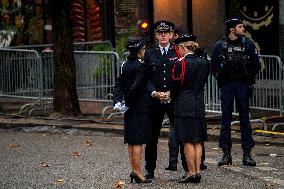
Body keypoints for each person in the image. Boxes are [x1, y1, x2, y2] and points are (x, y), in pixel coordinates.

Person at [211, 16, 259, 166]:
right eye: (239, 27)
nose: (243, 29)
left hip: (243, 85)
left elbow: (256, 65)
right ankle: (226, 153)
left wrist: (248, 78)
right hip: (227, 85)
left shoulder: (248, 44)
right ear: (232, 29)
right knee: (225, 120)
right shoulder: (220, 45)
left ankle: (247, 153)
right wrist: (222, 77)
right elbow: (213, 67)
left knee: (245, 119)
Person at [144, 20, 187, 179]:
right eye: (159, 33)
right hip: (155, 100)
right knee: (151, 136)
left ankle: (186, 169)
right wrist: (154, 92)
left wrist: (171, 92)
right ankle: (149, 169)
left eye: (166, 33)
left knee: (180, 134)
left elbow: (182, 75)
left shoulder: (177, 51)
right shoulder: (150, 52)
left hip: (173, 98)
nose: (163, 35)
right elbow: (146, 78)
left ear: (171, 35)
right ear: (156, 35)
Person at [113, 37, 152, 183]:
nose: (145, 50)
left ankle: (134, 170)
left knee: (131, 141)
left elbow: (119, 84)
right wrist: (127, 102)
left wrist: (118, 101)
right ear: (139, 50)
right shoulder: (141, 66)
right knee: (137, 142)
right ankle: (137, 171)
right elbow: (136, 87)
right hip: (139, 106)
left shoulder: (125, 64)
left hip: (129, 107)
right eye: (144, 48)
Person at [172, 33, 209, 183]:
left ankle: (192, 172)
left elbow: (175, 86)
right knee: (198, 140)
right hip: (198, 102)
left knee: (187, 140)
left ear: (182, 47)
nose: (178, 51)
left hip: (183, 104)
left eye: (179, 48)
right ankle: (198, 171)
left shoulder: (180, 63)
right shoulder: (204, 62)